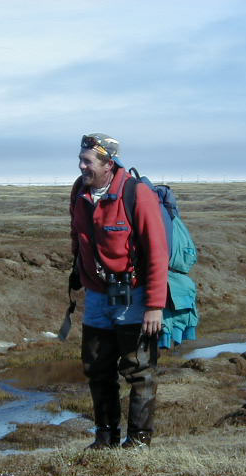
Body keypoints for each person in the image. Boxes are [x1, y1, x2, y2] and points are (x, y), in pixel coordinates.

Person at [69, 133, 168, 449]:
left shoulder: (137, 194)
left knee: (138, 370)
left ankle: (138, 441)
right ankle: (105, 438)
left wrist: (154, 305)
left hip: (134, 296)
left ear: (108, 164)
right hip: (97, 296)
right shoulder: (79, 191)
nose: (81, 166)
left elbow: (157, 251)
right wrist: (80, 274)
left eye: (88, 161)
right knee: (97, 368)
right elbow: (77, 236)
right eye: (80, 160)